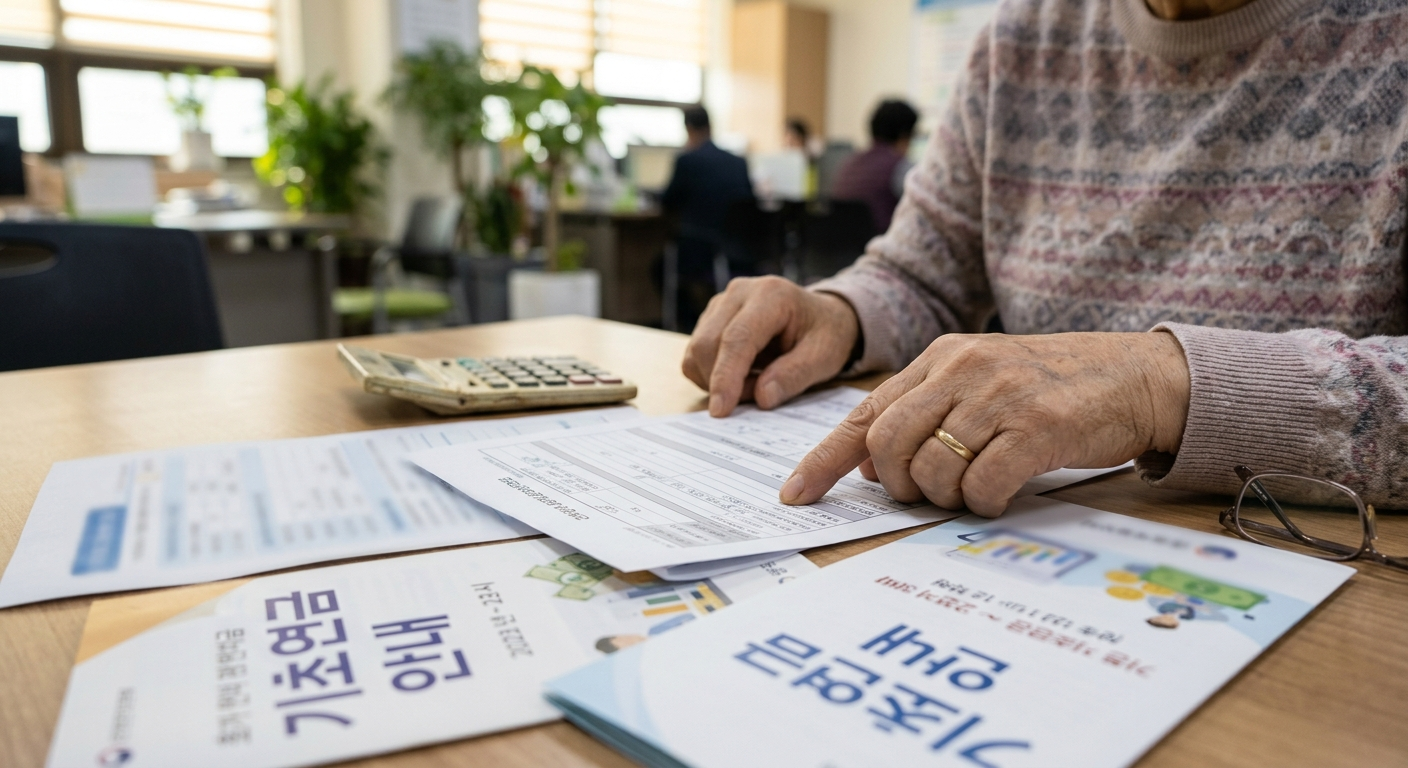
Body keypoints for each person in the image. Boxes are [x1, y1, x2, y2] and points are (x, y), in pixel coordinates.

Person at [682, 0, 1408, 519]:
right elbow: (921, 273)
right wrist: (839, 312)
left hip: (1304, 568)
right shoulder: (1023, 36)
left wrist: (1156, 386)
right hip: (1022, 532)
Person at [660, 106, 754, 330]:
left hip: (702, 250)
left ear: (688, 129)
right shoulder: (738, 162)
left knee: (660, 266)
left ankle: (689, 324)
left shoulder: (687, 161)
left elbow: (667, 201)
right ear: (710, 127)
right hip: (739, 251)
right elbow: (750, 202)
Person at [830, 99, 919, 231]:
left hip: (843, 247)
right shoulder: (901, 168)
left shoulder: (849, 163)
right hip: (882, 246)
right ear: (905, 134)